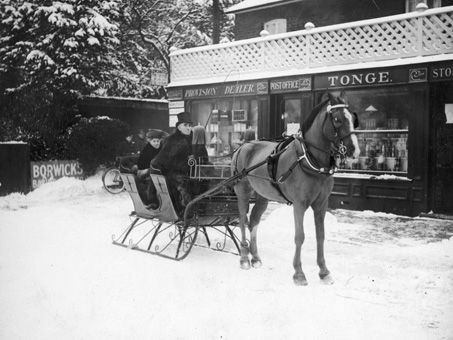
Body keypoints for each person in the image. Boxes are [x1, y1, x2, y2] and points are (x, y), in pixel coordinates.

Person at [151, 111, 193, 212]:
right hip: (174, 174)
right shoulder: (174, 140)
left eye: (190, 125)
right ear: (179, 127)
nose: (188, 128)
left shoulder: (188, 138)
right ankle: (185, 210)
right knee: (187, 185)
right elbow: (163, 159)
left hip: (185, 172)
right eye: (185, 125)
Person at [136, 129, 167, 208]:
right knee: (153, 178)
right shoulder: (147, 150)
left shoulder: (160, 149)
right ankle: (151, 201)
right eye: (154, 141)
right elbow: (143, 164)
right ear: (150, 141)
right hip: (146, 171)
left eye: (158, 141)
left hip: (155, 171)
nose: (156, 143)